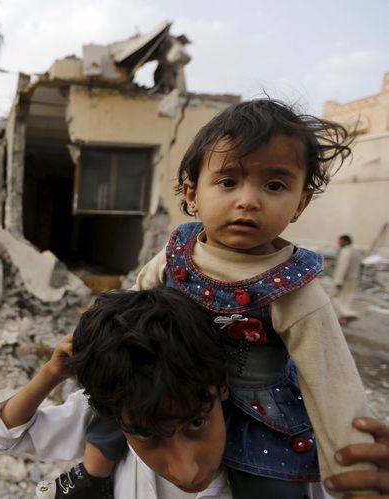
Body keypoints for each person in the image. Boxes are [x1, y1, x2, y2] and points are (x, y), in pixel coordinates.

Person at [63, 98, 376, 499]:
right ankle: (92, 476)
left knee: (272, 488)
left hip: (257, 411)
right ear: (192, 193)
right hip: (173, 386)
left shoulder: (295, 288)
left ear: (300, 202)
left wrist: (352, 472)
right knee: (117, 408)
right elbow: (135, 306)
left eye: (275, 185)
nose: (248, 200)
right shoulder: (179, 252)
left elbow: (332, 384)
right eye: (228, 182)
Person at [0, 288, 387, 498]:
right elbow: (4, 435)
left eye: (196, 422)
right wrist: (53, 373)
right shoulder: (127, 402)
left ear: (222, 388)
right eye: (147, 435)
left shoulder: (294, 460)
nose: (186, 471)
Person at [331, 234, 363, 325]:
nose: (338, 243)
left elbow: (342, 267)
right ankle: (342, 319)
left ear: (345, 241)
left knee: (336, 298)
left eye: (340, 241)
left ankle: (347, 314)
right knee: (346, 300)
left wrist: (338, 281)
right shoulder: (356, 251)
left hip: (344, 280)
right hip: (354, 279)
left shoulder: (345, 251)